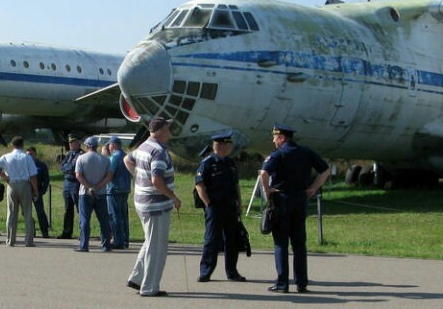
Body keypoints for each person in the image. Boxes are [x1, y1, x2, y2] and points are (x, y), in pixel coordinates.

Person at [259, 123, 331, 293]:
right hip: (300, 199)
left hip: (282, 199)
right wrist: (313, 188)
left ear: (282, 138)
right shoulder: (306, 152)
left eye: (275, 137)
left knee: (281, 243)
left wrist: (267, 191)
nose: (273, 140)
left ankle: (282, 283)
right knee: (299, 244)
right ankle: (301, 283)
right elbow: (325, 170)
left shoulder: (278, 154)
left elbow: (263, 173)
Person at [125, 116, 181, 297]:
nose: (170, 131)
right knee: (157, 247)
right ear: (162, 131)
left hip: (143, 202)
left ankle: (137, 278)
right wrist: (173, 197)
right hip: (156, 205)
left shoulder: (144, 146)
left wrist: (139, 178)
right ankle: (149, 287)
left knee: (150, 241)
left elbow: (128, 159)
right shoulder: (159, 152)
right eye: (168, 128)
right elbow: (157, 180)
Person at [194, 131, 248, 283]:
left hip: (230, 206)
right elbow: (199, 185)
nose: (231, 147)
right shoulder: (207, 163)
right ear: (221, 145)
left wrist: (239, 202)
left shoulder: (230, 163)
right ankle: (205, 272)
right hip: (215, 207)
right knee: (212, 239)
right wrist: (208, 204)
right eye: (229, 144)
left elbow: (235, 185)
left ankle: (232, 271)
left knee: (232, 240)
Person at [0, 135, 38, 247]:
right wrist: (35, 190)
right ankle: (28, 241)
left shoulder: (7, 156)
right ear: (22, 145)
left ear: (12, 145)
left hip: (11, 184)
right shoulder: (27, 157)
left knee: (11, 213)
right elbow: (32, 176)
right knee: (27, 213)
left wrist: (4, 176)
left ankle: (10, 240)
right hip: (24, 184)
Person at [75, 136, 112, 252]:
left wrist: (89, 186)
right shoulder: (106, 159)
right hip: (101, 192)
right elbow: (109, 176)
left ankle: (84, 244)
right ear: (96, 146)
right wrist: (99, 186)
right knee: (104, 220)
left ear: (87, 146)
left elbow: (78, 175)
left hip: (85, 193)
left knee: (85, 219)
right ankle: (106, 245)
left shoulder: (81, 158)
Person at [104, 136, 132, 249]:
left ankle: (117, 240)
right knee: (123, 215)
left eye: (109, 145)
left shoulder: (114, 158)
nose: (108, 147)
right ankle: (125, 239)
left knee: (114, 215)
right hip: (125, 189)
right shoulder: (126, 156)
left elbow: (109, 174)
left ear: (113, 145)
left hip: (114, 189)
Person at [57, 134, 81, 238]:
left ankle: (83, 232)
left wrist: (67, 168)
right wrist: (67, 168)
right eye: (70, 143)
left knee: (80, 209)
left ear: (78, 143)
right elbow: (62, 166)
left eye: (73, 142)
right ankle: (67, 232)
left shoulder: (80, 154)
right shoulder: (69, 154)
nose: (71, 144)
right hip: (67, 183)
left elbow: (72, 167)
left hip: (76, 183)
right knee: (67, 209)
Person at [26, 146, 50, 237]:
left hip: (37, 192)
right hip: (26, 192)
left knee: (40, 212)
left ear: (35, 154)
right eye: (27, 154)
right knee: (27, 213)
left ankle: (45, 232)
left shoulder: (42, 165)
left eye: (31, 154)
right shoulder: (25, 165)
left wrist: (42, 191)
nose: (29, 156)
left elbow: (46, 180)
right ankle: (32, 231)